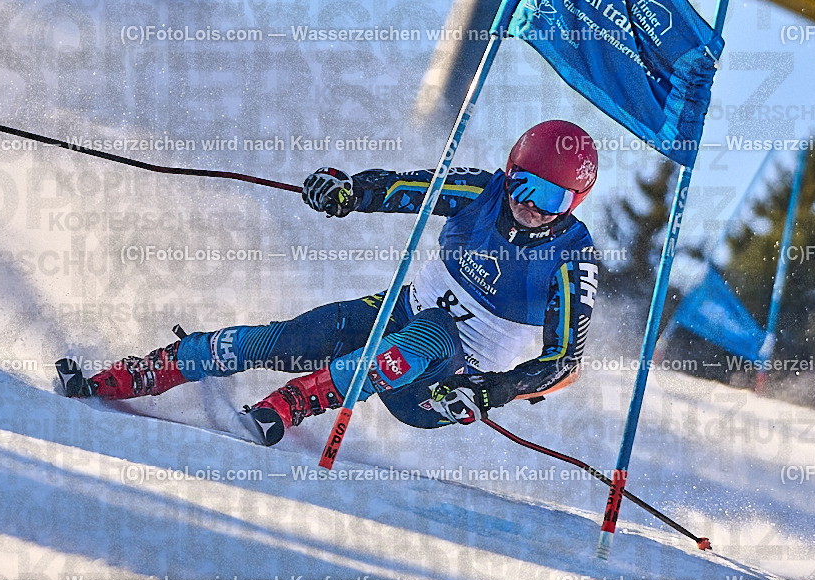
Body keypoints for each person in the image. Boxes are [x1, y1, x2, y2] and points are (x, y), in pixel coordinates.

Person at [56, 120, 601, 446]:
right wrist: (348, 191)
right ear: (509, 174)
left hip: (442, 382)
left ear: (573, 204)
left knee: (429, 334)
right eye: (525, 185)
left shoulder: (571, 261)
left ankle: (286, 407)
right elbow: (404, 188)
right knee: (288, 339)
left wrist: (487, 392)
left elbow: (562, 364)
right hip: (397, 312)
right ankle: (123, 377)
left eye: (552, 198)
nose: (531, 205)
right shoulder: (480, 193)